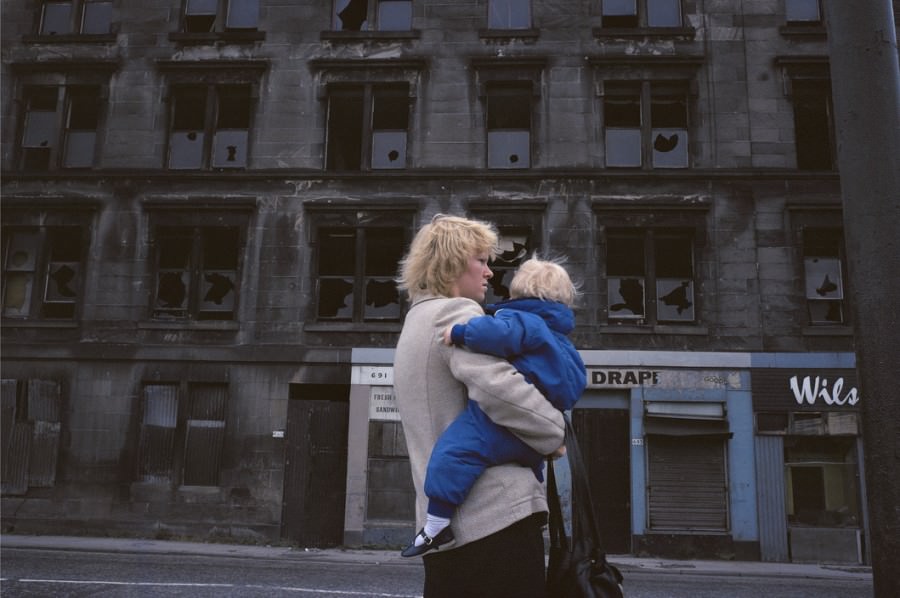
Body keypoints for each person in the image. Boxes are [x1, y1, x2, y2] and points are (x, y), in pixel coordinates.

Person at [394, 214, 566, 598]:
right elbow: (500, 390)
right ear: (453, 262)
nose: (490, 273)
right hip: (492, 515)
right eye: (482, 261)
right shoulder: (457, 313)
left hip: (444, 522)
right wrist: (554, 432)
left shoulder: (415, 322)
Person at [400, 255, 586, 559]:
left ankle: (435, 526)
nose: (490, 273)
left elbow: (498, 339)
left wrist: (459, 333)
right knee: (529, 463)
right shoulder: (561, 337)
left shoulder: (522, 319)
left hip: (500, 426)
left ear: (518, 294)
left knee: (454, 452)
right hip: (531, 436)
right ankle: (538, 507)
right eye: (482, 261)